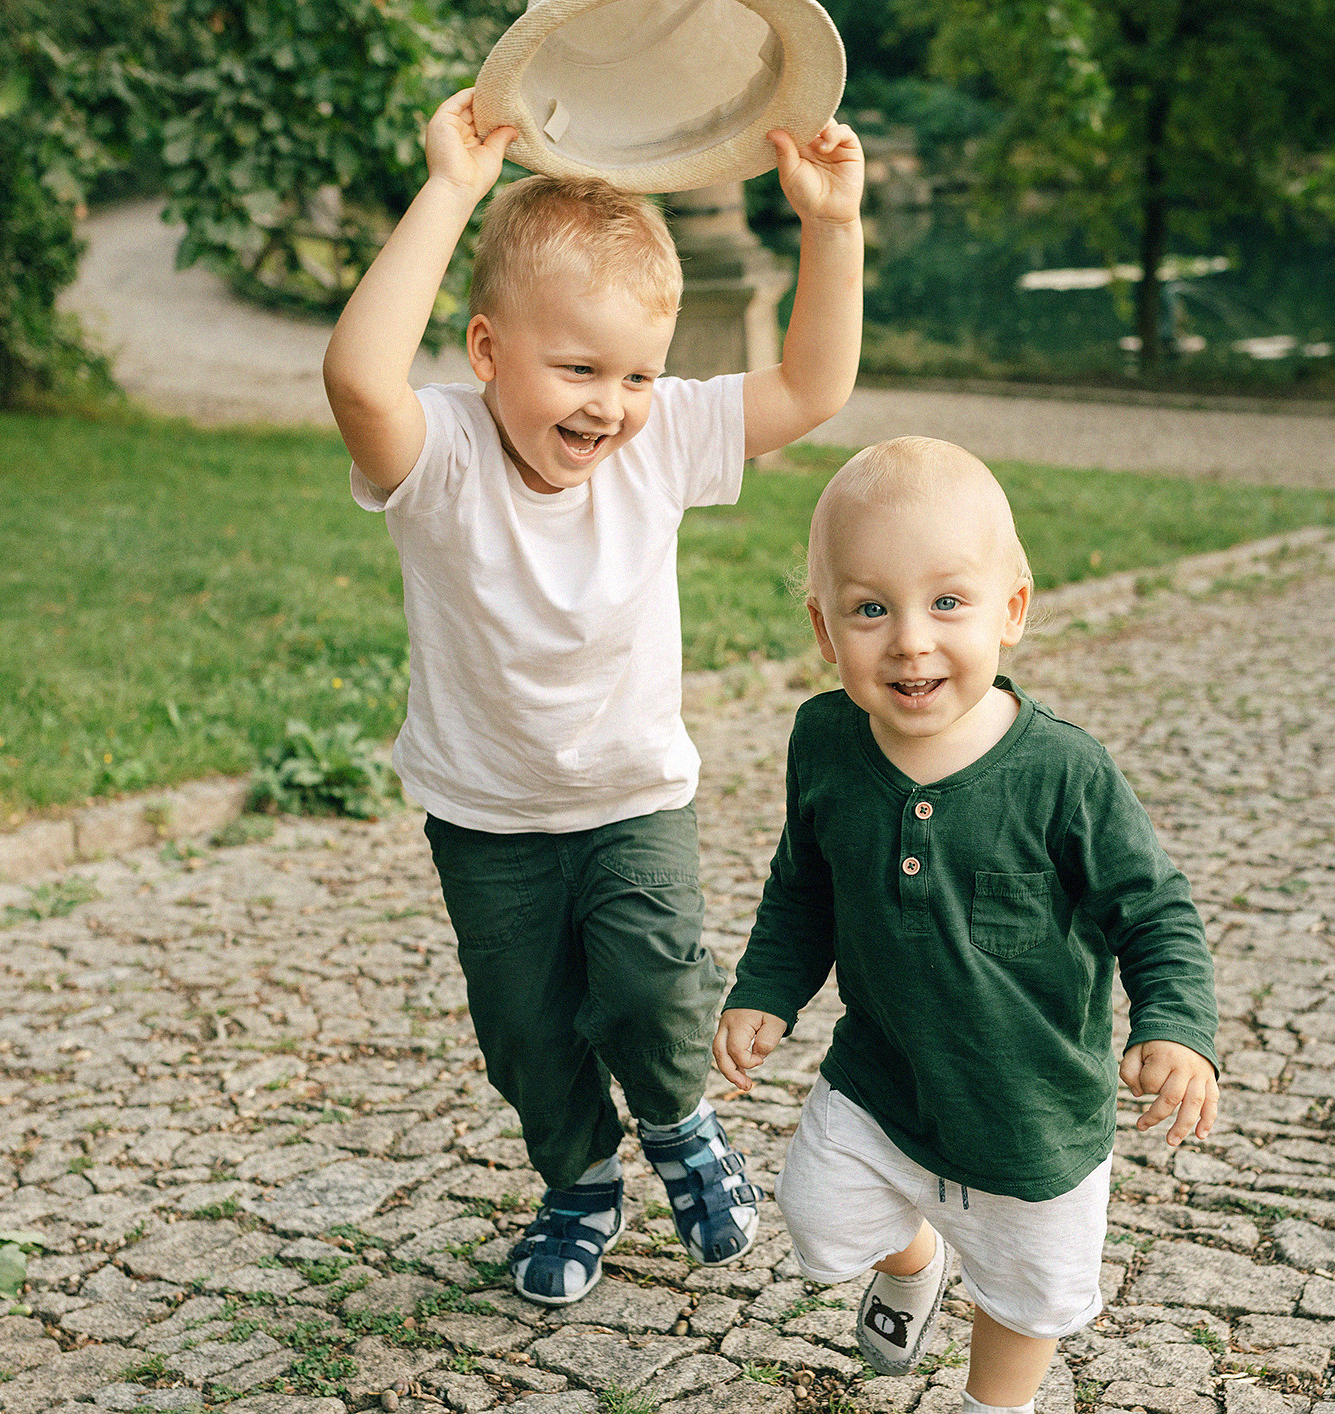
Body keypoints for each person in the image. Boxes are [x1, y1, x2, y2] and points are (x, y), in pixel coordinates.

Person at [321, 87, 863, 1306]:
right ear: (483, 350)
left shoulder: (659, 436)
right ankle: (576, 1183)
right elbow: (358, 379)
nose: (608, 404)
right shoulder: (439, 455)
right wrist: (453, 187)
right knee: (526, 1031)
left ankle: (677, 1122)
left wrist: (830, 228)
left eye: (635, 374)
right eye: (577, 367)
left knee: (658, 984)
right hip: (487, 821)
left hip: (630, 800)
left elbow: (811, 387)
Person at [713, 437, 1220, 1413]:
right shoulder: (823, 738)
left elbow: (1154, 910)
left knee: (1025, 1295)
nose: (908, 640)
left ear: (1010, 612)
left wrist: (1174, 1026)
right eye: (870, 608)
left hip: (1028, 1117)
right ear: (824, 626)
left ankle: (998, 1406)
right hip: (880, 1085)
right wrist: (764, 989)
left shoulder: (1062, 775)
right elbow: (801, 882)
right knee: (816, 1219)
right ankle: (912, 1260)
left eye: (947, 602)